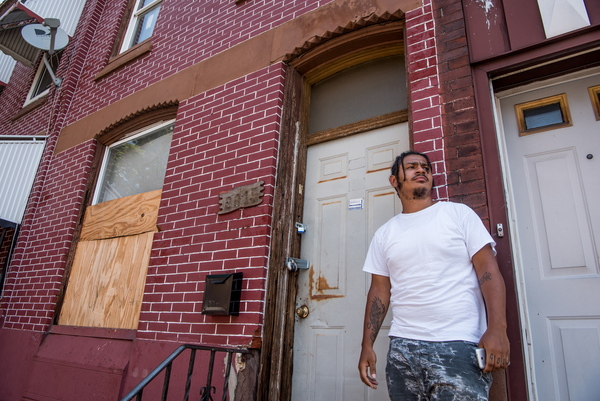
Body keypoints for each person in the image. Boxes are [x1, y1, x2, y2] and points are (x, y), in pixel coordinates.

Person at [358, 151, 510, 400]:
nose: (421, 170)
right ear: (394, 180)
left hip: (459, 344)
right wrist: (367, 345)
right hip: (402, 350)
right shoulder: (384, 234)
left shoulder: (459, 214)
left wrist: (497, 328)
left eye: (425, 167)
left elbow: (488, 271)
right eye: (411, 166)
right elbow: (379, 291)